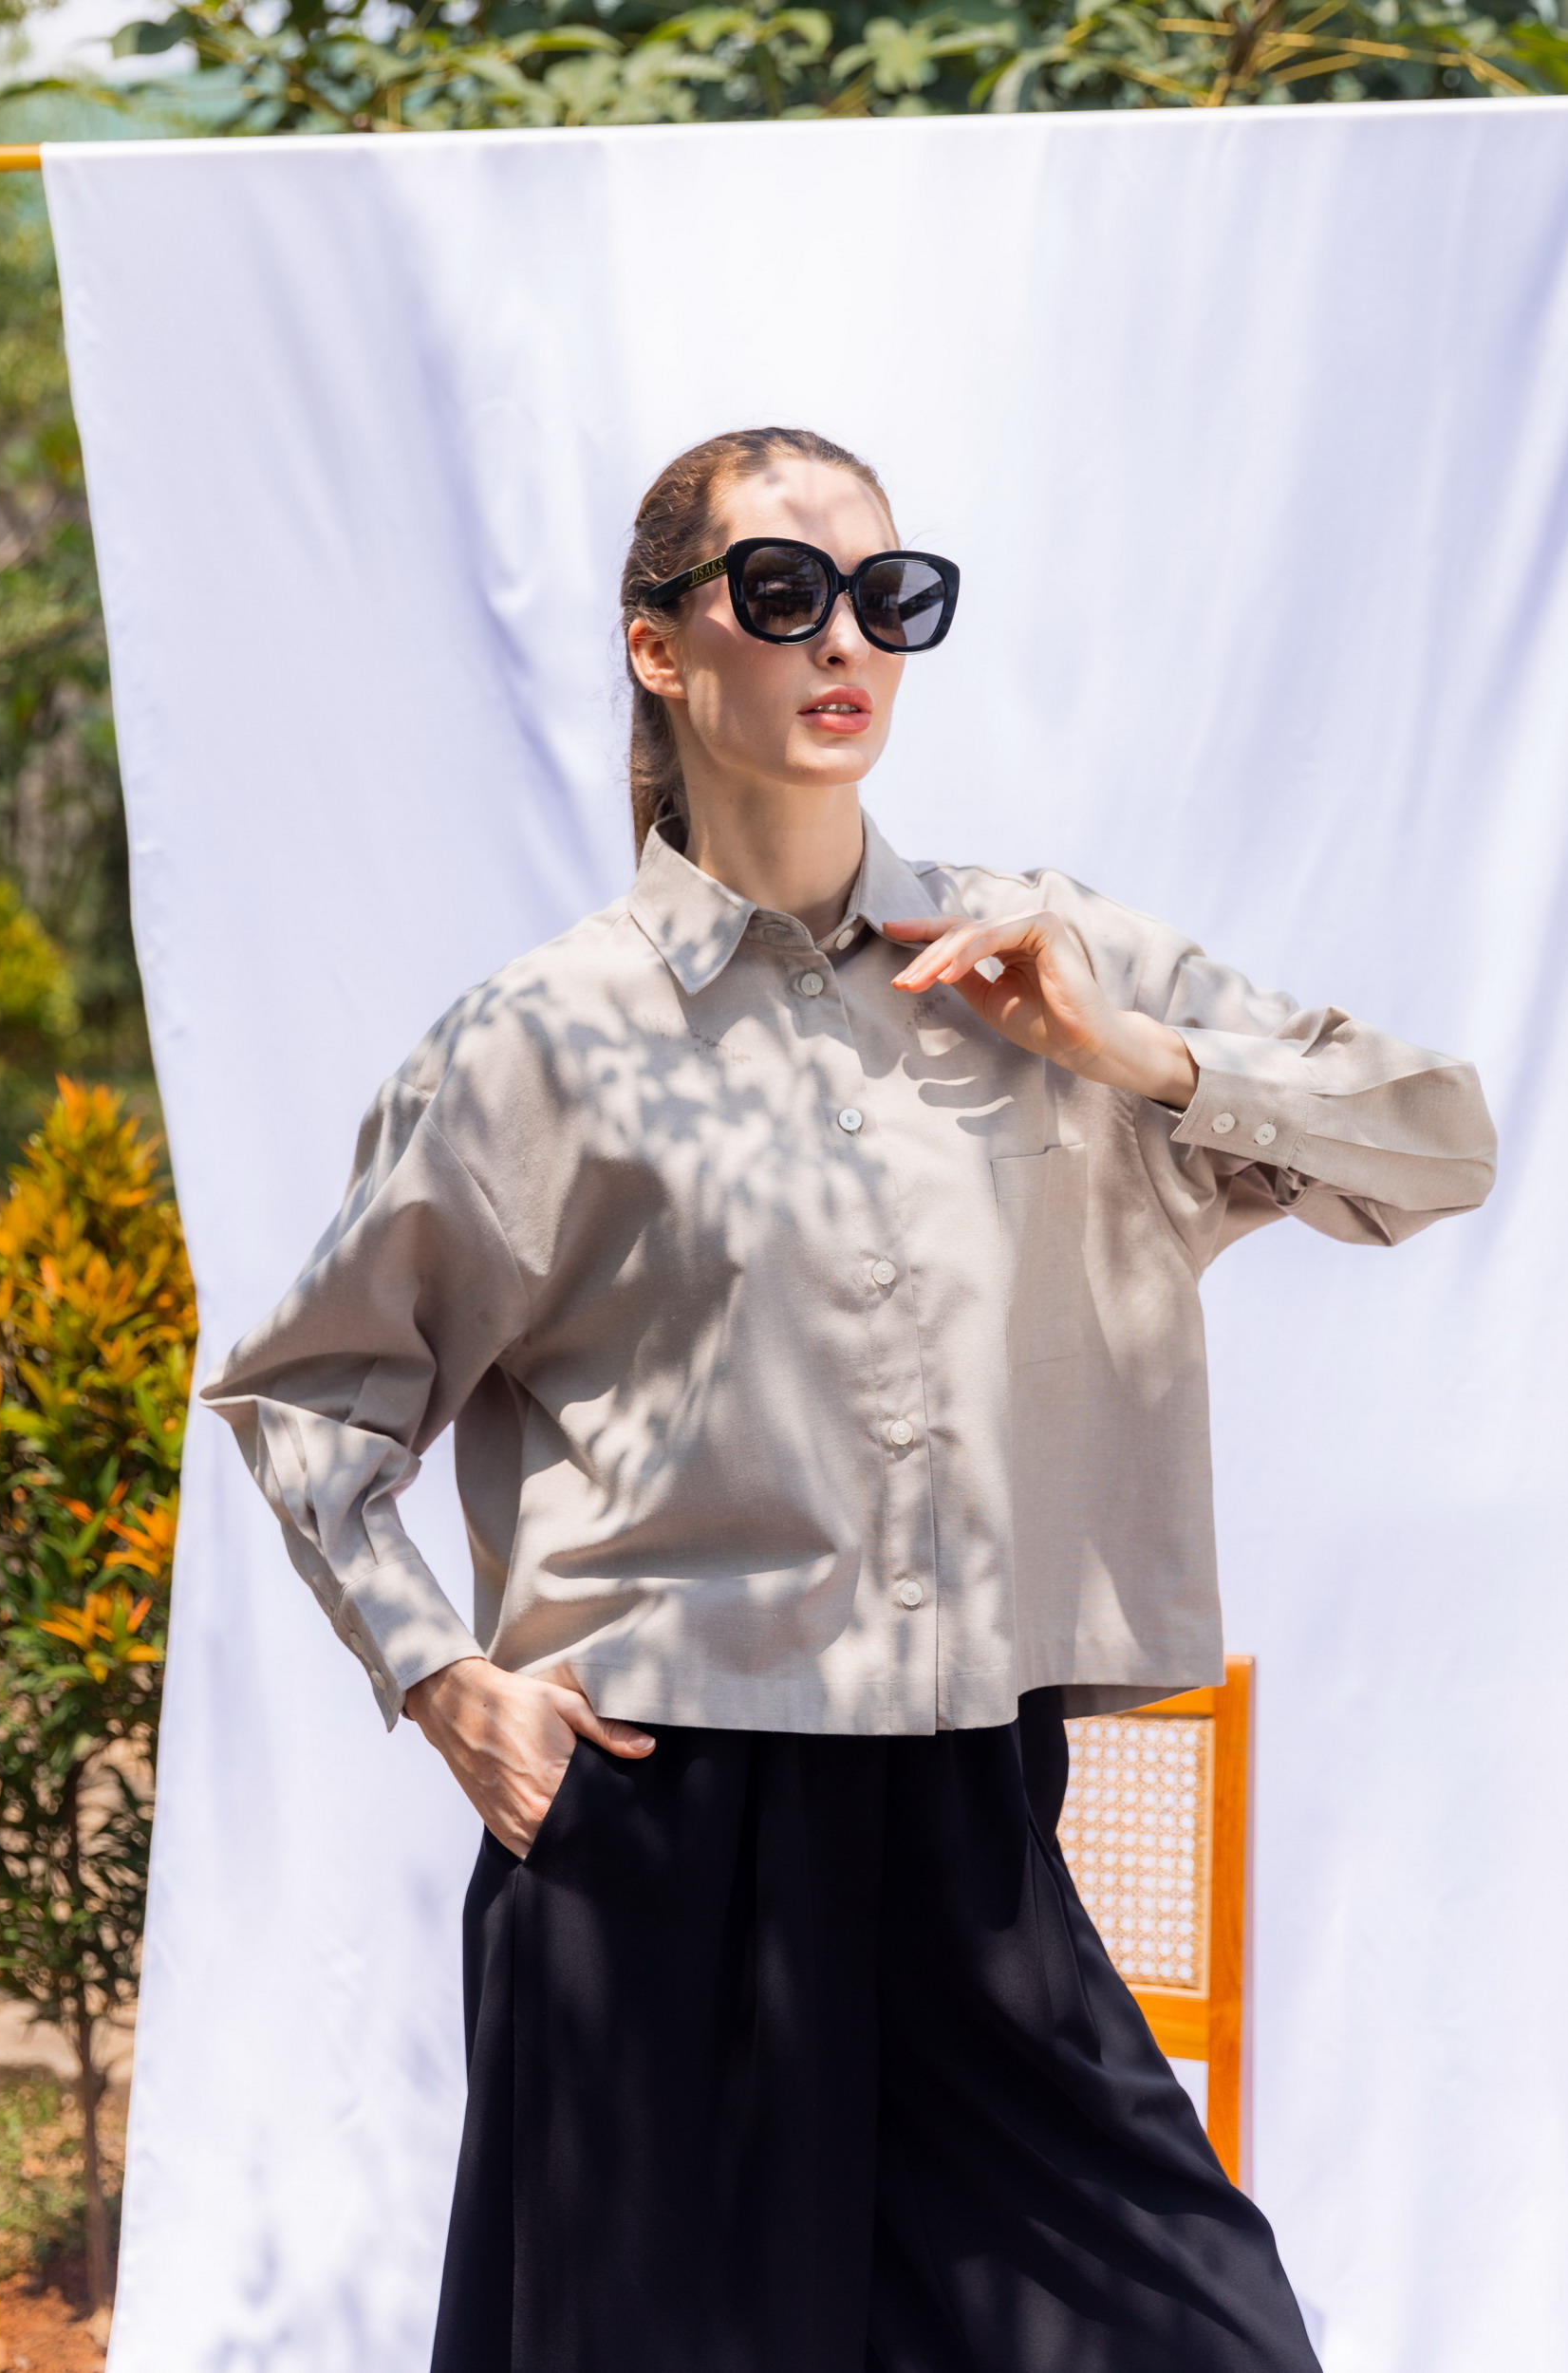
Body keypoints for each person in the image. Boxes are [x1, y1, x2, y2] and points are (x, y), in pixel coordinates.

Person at [203, 425, 1495, 2373]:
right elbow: (313, 1393)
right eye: (785, 588)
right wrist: (442, 1679)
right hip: (657, 1831)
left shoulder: (1044, 958)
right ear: (658, 645)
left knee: (1200, 2336)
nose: (845, 640)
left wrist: (1132, 1054)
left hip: (970, 1827)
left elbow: (1437, 1148)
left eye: (890, 596)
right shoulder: (546, 1037)